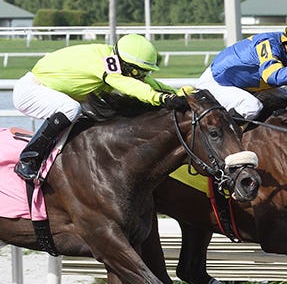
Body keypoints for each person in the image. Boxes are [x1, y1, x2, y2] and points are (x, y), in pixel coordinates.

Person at [12, 34, 188, 181]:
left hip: (57, 92)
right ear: (126, 64)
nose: (141, 77)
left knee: (102, 115)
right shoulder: (104, 63)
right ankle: (28, 159)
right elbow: (129, 86)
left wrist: (178, 93)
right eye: (138, 72)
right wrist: (160, 98)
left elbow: (147, 82)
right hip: (32, 91)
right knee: (71, 109)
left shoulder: (118, 59)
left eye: (144, 72)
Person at [195, 17, 287, 120]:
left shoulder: (286, 46)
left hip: (245, 86)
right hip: (218, 83)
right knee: (251, 107)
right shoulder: (267, 45)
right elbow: (273, 76)